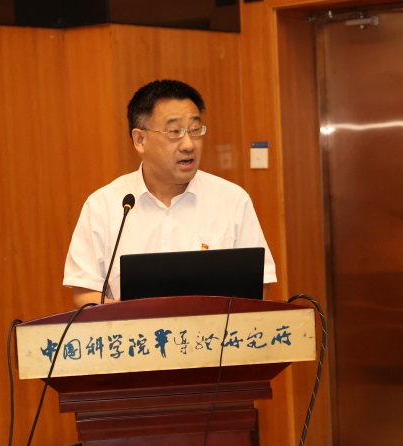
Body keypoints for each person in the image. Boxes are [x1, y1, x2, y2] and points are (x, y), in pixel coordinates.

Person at [63, 79, 277, 307]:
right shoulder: (104, 205)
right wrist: (125, 313)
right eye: (175, 132)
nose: (189, 145)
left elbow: (259, 285)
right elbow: (84, 291)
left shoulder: (232, 200)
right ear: (140, 140)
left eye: (195, 130)